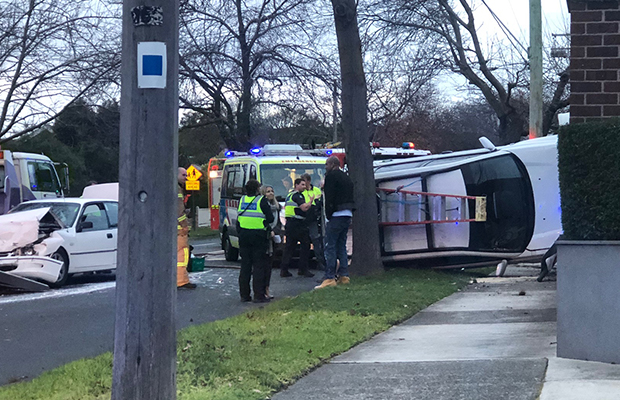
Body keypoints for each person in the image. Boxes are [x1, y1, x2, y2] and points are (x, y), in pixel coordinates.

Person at [315, 156, 355, 290]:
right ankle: (344, 275)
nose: (325, 167)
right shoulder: (346, 177)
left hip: (336, 215)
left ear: (332, 164)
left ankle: (329, 277)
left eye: (327, 164)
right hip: (347, 214)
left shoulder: (331, 177)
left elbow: (330, 198)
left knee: (330, 246)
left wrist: (328, 215)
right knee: (341, 246)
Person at [237, 179, 274, 303]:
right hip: (258, 236)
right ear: (257, 189)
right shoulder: (261, 201)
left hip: (244, 235)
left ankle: (244, 295)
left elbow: (239, 218)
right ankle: (259, 295)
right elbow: (270, 218)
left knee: (245, 266)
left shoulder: (242, 200)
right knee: (259, 266)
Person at [280, 178, 315, 278]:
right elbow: (304, 207)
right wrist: (310, 202)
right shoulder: (297, 195)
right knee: (305, 245)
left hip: (290, 223)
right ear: (296, 185)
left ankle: (284, 269)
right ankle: (303, 269)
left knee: (289, 247)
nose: (304, 186)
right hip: (298, 224)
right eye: (302, 185)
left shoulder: (289, 195)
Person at [261, 184, 284, 299]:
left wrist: (276, 231)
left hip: (274, 239)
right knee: (263, 266)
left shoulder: (277, 207)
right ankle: (262, 290)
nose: (270, 193)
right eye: (268, 191)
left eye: (272, 191)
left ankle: (267, 289)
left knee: (269, 265)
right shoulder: (263, 206)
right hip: (264, 238)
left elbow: (279, 223)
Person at [301, 173, 326, 271]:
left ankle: (320, 262)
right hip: (302, 219)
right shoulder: (299, 192)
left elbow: (319, 202)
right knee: (304, 242)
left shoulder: (316, 190)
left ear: (309, 181)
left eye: (304, 182)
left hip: (313, 219)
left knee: (316, 240)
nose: (303, 185)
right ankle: (304, 266)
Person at [177, 167, 196, 289]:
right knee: (182, 255)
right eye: (184, 175)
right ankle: (181, 281)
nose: (186, 178)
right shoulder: (177, 189)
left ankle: (180, 279)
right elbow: (178, 210)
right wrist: (184, 225)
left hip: (175, 229)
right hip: (179, 230)